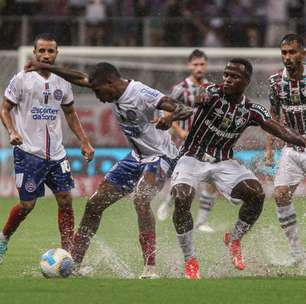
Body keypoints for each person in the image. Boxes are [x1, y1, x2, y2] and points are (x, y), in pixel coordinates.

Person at [25, 60, 193, 278]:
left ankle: (150, 268)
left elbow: (185, 108)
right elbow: (78, 78)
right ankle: (74, 263)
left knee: (141, 200)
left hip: (161, 156)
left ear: (110, 82)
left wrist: (169, 117)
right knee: (94, 204)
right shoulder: (105, 86)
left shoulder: (141, 93)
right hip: (136, 157)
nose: (97, 96)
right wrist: (47, 67)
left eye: (98, 91)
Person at [170, 58, 306, 279]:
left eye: (234, 76)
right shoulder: (212, 93)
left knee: (256, 194)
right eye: (226, 74)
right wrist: (176, 114)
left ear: (246, 81)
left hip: (223, 161)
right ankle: (190, 260)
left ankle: (234, 239)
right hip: (192, 157)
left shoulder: (252, 110)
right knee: (182, 197)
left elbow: (280, 130)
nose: (227, 79)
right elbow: (197, 98)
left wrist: (302, 141)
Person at [0, 33, 94, 263]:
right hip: (28, 153)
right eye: (41, 50)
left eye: (50, 51)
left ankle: (68, 252)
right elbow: (4, 109)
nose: (45, 55)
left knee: (65, 199)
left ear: (56, 53)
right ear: (34, 52)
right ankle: (3, 238)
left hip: (57, 155)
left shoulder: (62, 81)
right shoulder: (21, 79)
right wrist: (12, 132)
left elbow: (70, 113)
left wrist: (84, 140)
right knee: (27, 205)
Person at [157, 49, 217, 233]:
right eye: (195, 64)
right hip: (185, 142)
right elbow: (166, 113)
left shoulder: (213, 88)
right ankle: (168, 202)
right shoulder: (180, 88)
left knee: (212, 180)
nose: (199, 67)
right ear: (189, 66)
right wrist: (179, 130)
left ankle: (201, 222)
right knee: (183, 179)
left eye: (202, 64)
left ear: (206, 65)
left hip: (207, 141)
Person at [265, 33, 306, 264]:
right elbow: (273, 117)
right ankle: (295, 251)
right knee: (280, 195)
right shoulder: (275, 82)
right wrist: (269, 149)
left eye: (292, 52)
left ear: (303, 54)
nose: (287, 57)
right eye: (284, 53)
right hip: (292, 148)